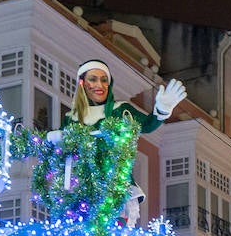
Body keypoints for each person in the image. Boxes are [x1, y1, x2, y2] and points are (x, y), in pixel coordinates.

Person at [59, 59, 187, 226]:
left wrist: (162, 110)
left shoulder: (120, 110)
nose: (99, 84)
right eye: (93, 79)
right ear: (82, 83)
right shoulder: (71, 118)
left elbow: (147, 125)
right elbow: (61, 149)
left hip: (116, 187)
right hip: (81, 189)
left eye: (104, 80)